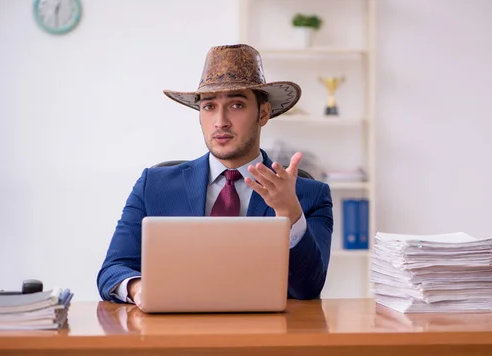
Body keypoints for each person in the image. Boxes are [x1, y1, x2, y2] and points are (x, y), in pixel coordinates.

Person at [96, 44, 333, 305]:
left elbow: (308, 289)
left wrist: (290, 213)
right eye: (209, 107)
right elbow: (112, 270)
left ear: (263, 113)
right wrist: (138, 288)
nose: (220, 121)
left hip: (267, 338)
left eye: (236, 105)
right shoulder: (153, 186)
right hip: (177, 335)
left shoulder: (310, 195)